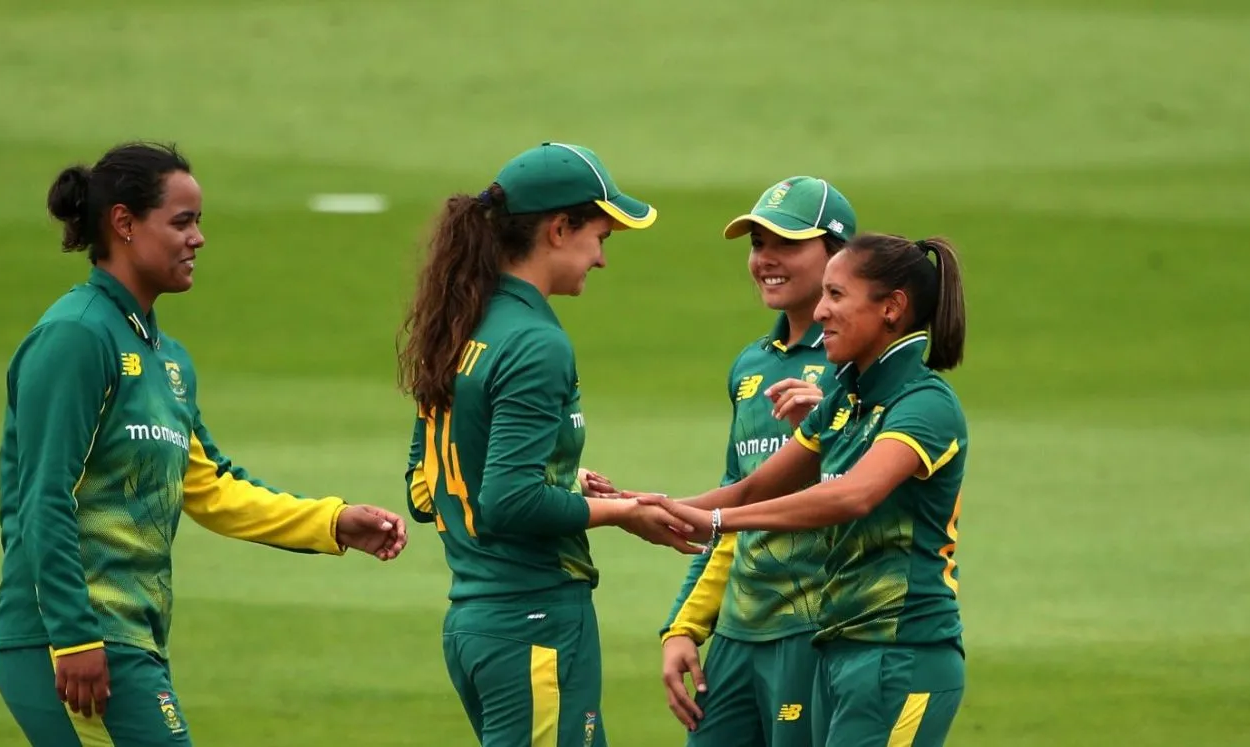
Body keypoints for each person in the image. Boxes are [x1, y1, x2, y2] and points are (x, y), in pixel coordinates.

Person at [0, 141, 408, 747]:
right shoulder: (76, 338)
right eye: (182, 222)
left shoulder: (166, 359)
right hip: (69, 640)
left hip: (130, 638)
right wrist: (75, 638)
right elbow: (44, 497)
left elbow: (211, 486)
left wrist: (333, 522)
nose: (198, 238)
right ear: (124, 224)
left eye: (199, 222)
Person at [396, 142, 693, 747]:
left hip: (477, 628)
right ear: (559, 229)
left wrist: (564, 482)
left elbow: (425, 489)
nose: (602, 260)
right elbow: (508, 502)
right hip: (533, 623)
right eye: (600, 238)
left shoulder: (460, 326)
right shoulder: (535, 342)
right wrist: (625, 511)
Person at [631, 232, 970, 747]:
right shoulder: (842, 401)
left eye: (836, 296)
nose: (820, 312)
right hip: (837, 653)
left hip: (904, 655)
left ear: (892, 308)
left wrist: (717, 523)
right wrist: (640, 505)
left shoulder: (924, 404)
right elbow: (752, 490)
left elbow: (853, 495)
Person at [655, 176, 857, 747]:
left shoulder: (861, 365)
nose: (766, 259)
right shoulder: (750, 367)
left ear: (838, 255)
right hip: (738, 637)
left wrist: (839, 427)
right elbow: (735, 505)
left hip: (813, 631)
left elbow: (878, 494)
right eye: (757, 244)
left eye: (787, 244)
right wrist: (684, 627)